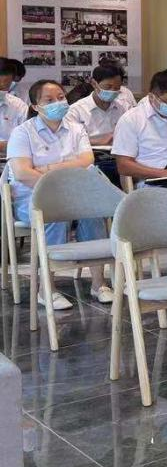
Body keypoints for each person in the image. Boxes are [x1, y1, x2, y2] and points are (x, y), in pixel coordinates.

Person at [6, 80, 111, 307]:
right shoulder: (23, 133)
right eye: (49, 100)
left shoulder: (76, 129)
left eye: (61, 97)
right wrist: (60, 177)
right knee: (54, 212)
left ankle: (98, 283)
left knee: (94, 212)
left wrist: (48, 169)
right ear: (35, 106)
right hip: (32, 197)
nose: (58, 103)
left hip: (73, 194)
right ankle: (46, 288)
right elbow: (23, 173)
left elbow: (86, 160)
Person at [66, 62, 131, 146]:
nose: (112, 91)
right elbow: (68, 141)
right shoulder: (76, 111)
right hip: (88, 152)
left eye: (117, 88)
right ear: (94, 83)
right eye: (108, 87)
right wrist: (97, 142)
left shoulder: (124, 108)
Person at [0, 59, 30, 153]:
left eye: (5, 88)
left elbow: (29, 139)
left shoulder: (18, 105)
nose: (2, 91)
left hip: (11, 158)